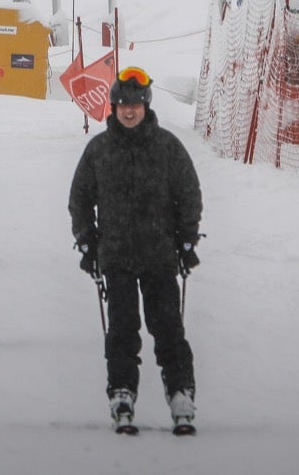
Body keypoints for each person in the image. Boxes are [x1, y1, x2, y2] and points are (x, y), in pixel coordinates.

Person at [68, 66, 203, 436]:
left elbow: (189, 194)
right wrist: (86, 241)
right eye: (123, 104)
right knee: (123, 330)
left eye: (136, 104)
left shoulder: (167, 147)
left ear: (146, 106)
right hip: (117, 257)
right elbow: (80, 198)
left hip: (160, 255)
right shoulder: (99, 149)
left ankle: (180, 394)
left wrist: (187, 239)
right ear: (113, 107)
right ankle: (122, 394)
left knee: (168, 329)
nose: (129, 110)